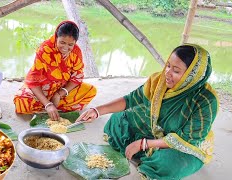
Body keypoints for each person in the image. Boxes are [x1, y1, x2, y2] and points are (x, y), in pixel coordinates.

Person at [77, 44, 218, 179]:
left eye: (176, 71)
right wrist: (97, 110)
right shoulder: (158, 80)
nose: (167, 73)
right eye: (168, 65)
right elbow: (131, 100)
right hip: (155, 129)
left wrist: (144, 144)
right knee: (118, 120)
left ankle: (148, 155)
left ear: (192, 76)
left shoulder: (205, 100)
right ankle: (146, 152)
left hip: (183, 143)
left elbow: (187, 139)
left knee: (169, 164)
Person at [14, 21, 97, 120]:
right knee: (21, 100)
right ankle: (49, 106)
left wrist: (59, 94)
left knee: (91, 91)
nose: (66, 48)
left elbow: (77, 77)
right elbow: (33, 80)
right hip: (42, 88)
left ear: (75, 42)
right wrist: (48, 104)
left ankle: (52, 104)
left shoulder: (76, 52)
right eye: (62, 42)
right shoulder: (45, 49)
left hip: (62, 89)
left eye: (70, 44)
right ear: (56, 37)